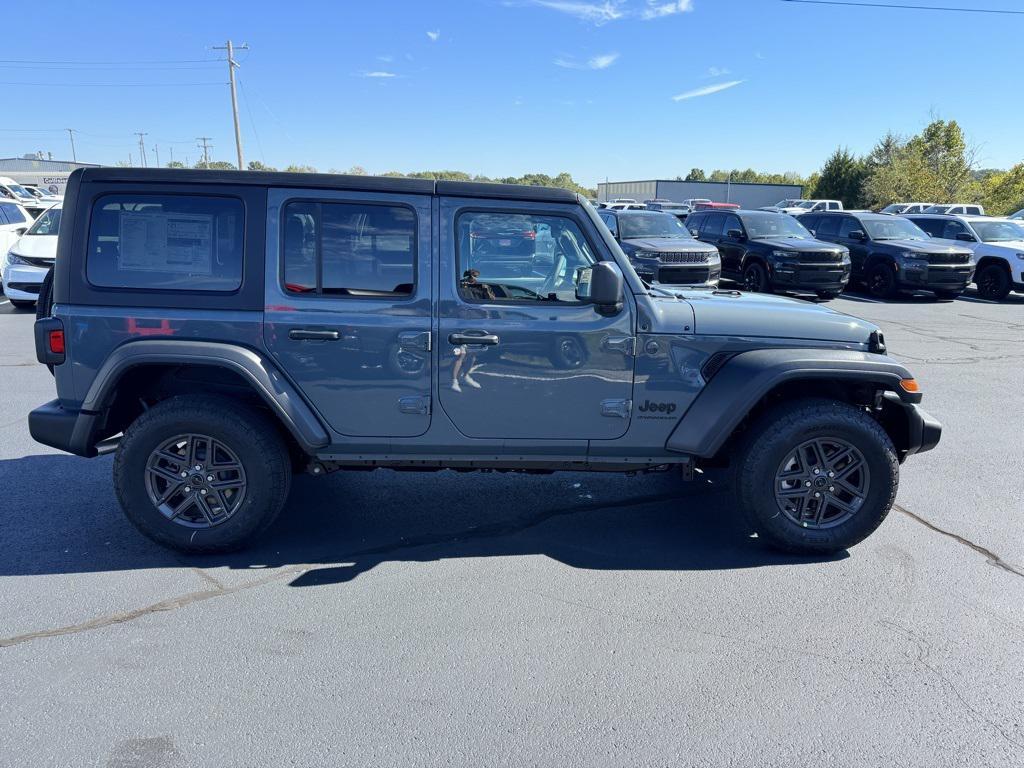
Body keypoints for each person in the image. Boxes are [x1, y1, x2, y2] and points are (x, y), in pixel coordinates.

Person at [451, 270, 493, 392]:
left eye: (475, 277)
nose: (472, 279)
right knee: (461, 354)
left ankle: (465, 376)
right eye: (470, 276)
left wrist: (485, 290)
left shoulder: (482, 288)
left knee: (472, 354)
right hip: (461, 324)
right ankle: (454, 381)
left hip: (477, 323)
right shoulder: (460, 287)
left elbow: (491, 300)